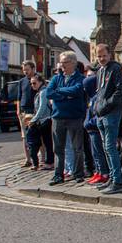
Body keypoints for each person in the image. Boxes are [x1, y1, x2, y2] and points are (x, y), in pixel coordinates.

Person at [46, 51, 87, 185]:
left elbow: (77, 90)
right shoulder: (56, 78)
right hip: (58, 117)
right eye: (61, 63)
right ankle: (58, 175)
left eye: (65, 63)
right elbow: (49, 93)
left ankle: (78, 174)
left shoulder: (80, 78)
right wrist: (66, 95)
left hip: (75, 117)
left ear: (73, 63)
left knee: (77, 147)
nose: (61, 65)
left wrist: (59, 92)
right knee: (58, 148)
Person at [91, 42, 122, 194]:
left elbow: (119, 92)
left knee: (110, 147)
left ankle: (117, 181)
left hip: (111, 113)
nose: (102, 58)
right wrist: (96, 108)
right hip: (101, 114)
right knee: (106, 148)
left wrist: (105, 105)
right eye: (99, 56)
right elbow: (99, 92)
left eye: (104, 55)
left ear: (109, 55)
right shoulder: (100, 70)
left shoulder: (115, 68)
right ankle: (112, 178)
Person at [83, 65, 108, 184]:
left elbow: (97, 115)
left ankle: (103, 172)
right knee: (95, 153)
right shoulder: (92, 97)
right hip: (91, 130)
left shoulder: (97, 98)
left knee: (99, 152)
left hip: (95, 129)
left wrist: (89, 123)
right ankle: (98, 171)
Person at [23, 74, 54, 170]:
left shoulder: (43, 92)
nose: (32, 85)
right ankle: (46, 161)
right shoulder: (40, 92)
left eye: (34, 83)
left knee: (48, 142)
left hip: (46, 120)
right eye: (31, 84)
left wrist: (33, 120)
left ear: (40, 82)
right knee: (45, 142)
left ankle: (50, 162)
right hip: (42, 120)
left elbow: (42, 108)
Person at [17, 59, 37, 167]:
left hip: (34, 112)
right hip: (23, 112)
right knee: (24, 137)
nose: (25, 72)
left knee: (37, 137)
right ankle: (28, 159)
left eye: (27, 70)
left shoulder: (37, 79)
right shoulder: (22, 81)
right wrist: (18, 110)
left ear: (33, 69)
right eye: (24, 70)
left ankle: (41, 159)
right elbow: (19, 97)